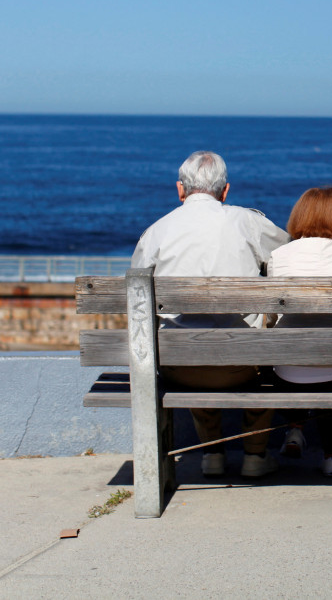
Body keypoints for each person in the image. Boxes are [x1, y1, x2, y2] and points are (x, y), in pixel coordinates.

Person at [130, 150, 289, 480]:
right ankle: (255, 456)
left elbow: (136, 301)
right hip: (243, 367)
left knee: (187, 334)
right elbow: (290, 259)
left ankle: (213, 454)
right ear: (225, 190)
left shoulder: (156, 233)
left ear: (180, 189)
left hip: (179, 367)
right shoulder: (249, 222)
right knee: (260, 339)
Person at [266, 187, 332, 478]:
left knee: (292, 352)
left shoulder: (278, 256)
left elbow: (271, 317)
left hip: (287, 371)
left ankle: (295, 430)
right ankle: (331, 456)